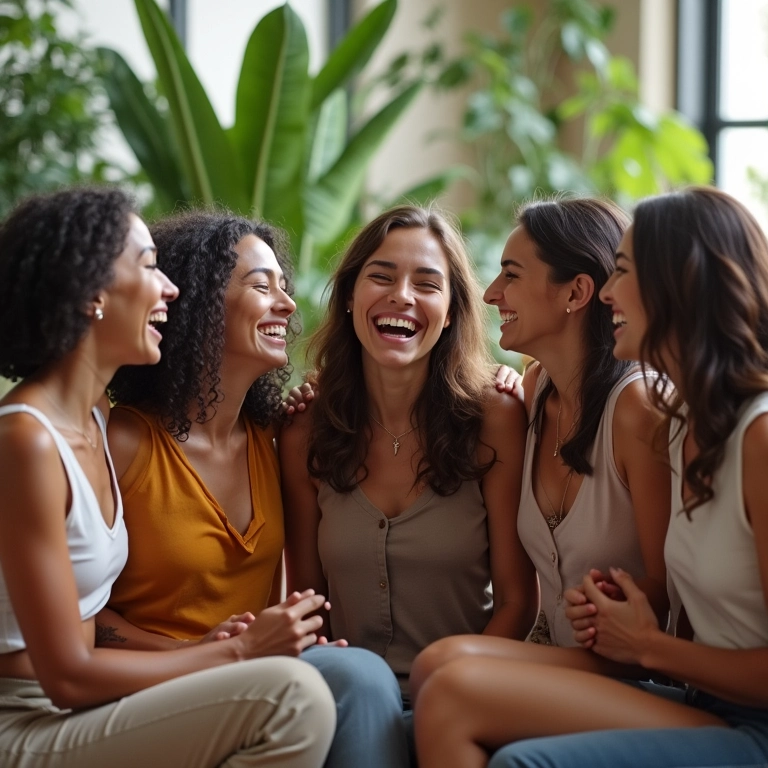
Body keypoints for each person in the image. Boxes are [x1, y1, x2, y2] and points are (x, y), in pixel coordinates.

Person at [414, 186, 768, 768]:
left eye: (624, 272)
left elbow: (666, 608)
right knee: (438, 667)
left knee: (482, 723)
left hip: (733, 711)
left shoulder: (679, 418)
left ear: (678, 283)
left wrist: (648, 643)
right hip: (699, 692)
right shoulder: (686, 420)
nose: (608, 292)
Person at [0, 187, 336, 767]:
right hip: (28, 719)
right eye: (149, 267)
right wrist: (238, 653)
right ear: (90, 292)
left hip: (83, 705)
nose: (172, 290)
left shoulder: (90, 424)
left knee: (329, 681)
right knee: (293, 697)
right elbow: (68, 677)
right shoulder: (28, 440)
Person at [104, 210, 407, 768]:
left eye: (284, 287)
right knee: (357, 676)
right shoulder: (125, 441)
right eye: (260, 285)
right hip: (153, 687)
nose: (287, 305)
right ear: (197, 303)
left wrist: (503, 382)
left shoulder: (278, 435)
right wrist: (205, 652)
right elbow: (86, 622)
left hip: (255, 673)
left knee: (357, 674)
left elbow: (394, 394)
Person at [408, 197, 671, 703]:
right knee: (437, 668)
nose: (490, 294)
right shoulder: (533, 390)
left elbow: (666, 592)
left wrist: (611, 607)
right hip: (559, 663)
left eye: (510, 275)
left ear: (575, 292)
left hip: (639, 675)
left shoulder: (637, 407)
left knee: (441, 667)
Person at [279, 204, 535, 714]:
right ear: (351, 296)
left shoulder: (496, 418)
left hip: (462, 694)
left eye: (427, 283)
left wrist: (446, 694)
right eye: (381, 276)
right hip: (344, 699)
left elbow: (516, 602)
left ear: (450, 313)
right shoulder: (303, 427)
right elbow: (310, 608)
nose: (402, 296)